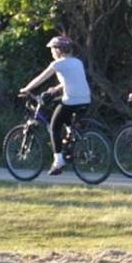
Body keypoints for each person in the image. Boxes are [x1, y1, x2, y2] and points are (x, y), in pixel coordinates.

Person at [18, 35, 92, 175]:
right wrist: (55, 89)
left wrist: (26, 89)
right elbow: (70, 80)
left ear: (59, 50)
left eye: (52, 49)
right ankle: (71, 135)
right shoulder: (77, 62)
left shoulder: (57, 64)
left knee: (54, 126)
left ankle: (58, 161)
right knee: (60, 107)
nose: (51, 52)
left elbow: (41, 78)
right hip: (85, 99)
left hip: (71, 100)